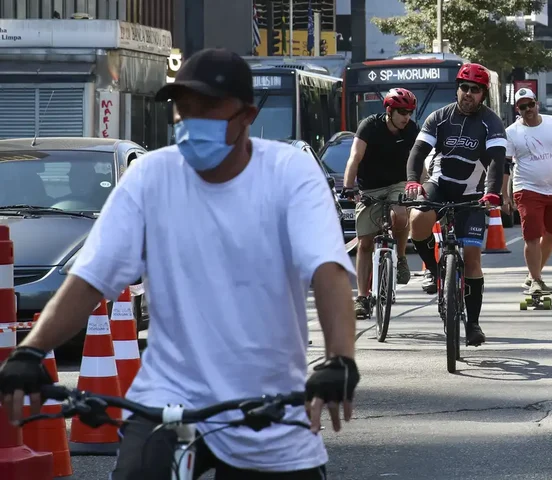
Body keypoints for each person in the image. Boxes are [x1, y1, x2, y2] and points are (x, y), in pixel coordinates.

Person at [0, 48, 359, 480]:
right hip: (167, 398)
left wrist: (340, 359)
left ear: (246, 116)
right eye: (184, 109)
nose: (193, 121)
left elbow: (328, 270)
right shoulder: (151, 176)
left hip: (268, 403)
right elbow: (89, 279)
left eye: (208, 108)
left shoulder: (289, 173)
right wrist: (30, 351)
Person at [404, 62, 507, 347]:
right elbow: (418, 151)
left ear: (483, 94)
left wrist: (493, 193)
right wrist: (413, 180)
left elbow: (497, 161)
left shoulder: (491, 122)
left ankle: (472, 324)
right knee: (417, 219)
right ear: (457, 89)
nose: (468, 94)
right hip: (439, 184)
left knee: (472, 258)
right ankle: (433, 269)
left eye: (475, 90)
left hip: (472, 193)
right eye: (464, 88)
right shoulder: (438, 118)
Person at [342, 88, 419, 318]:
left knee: (400, 215)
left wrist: (420, 185)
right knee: (365, 244)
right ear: (389, 110)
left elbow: (419, 160)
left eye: (410, 112)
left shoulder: (412, 130)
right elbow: (354, 157)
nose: (407, 117)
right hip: (371, 188)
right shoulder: (369, 126)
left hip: (398, 182)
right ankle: (363, 298)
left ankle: (402, 258)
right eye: (402, 112)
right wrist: (348, 187)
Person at [504, 87, 552, 294]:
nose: (528, 109)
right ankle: (536, 280)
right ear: (518, 109)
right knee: (532, 236)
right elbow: (505, 164)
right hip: (527, 189)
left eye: (530, 104)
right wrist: (504, 195)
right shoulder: (511, 132)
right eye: (522, 107)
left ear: (537, 104)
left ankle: (532, 275)